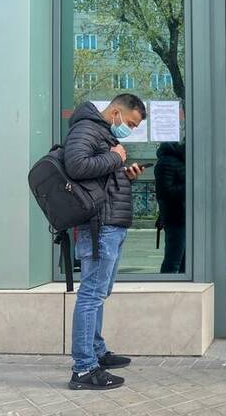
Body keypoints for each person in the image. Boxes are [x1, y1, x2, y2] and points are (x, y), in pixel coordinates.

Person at [64, 94, 147, 390]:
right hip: (99, 227)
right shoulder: (86, 128)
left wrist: (125, 175)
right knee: (91, 296)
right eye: (131, 124)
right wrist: (116, 158)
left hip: (110, 224)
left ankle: (97, 352)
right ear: (115, 113)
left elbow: (99, 177)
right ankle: (84, 369)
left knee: (99, 294)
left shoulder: (103, 133)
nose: (131, 130)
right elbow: (76, 166)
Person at [155, 141, 186, 274]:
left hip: (183, 216)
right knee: (173, 260)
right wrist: (190, 186)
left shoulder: (180, 160)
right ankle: (167, 284)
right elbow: (165, 192)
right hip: (176, 217)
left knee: (185, 261)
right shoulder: (167, 161)